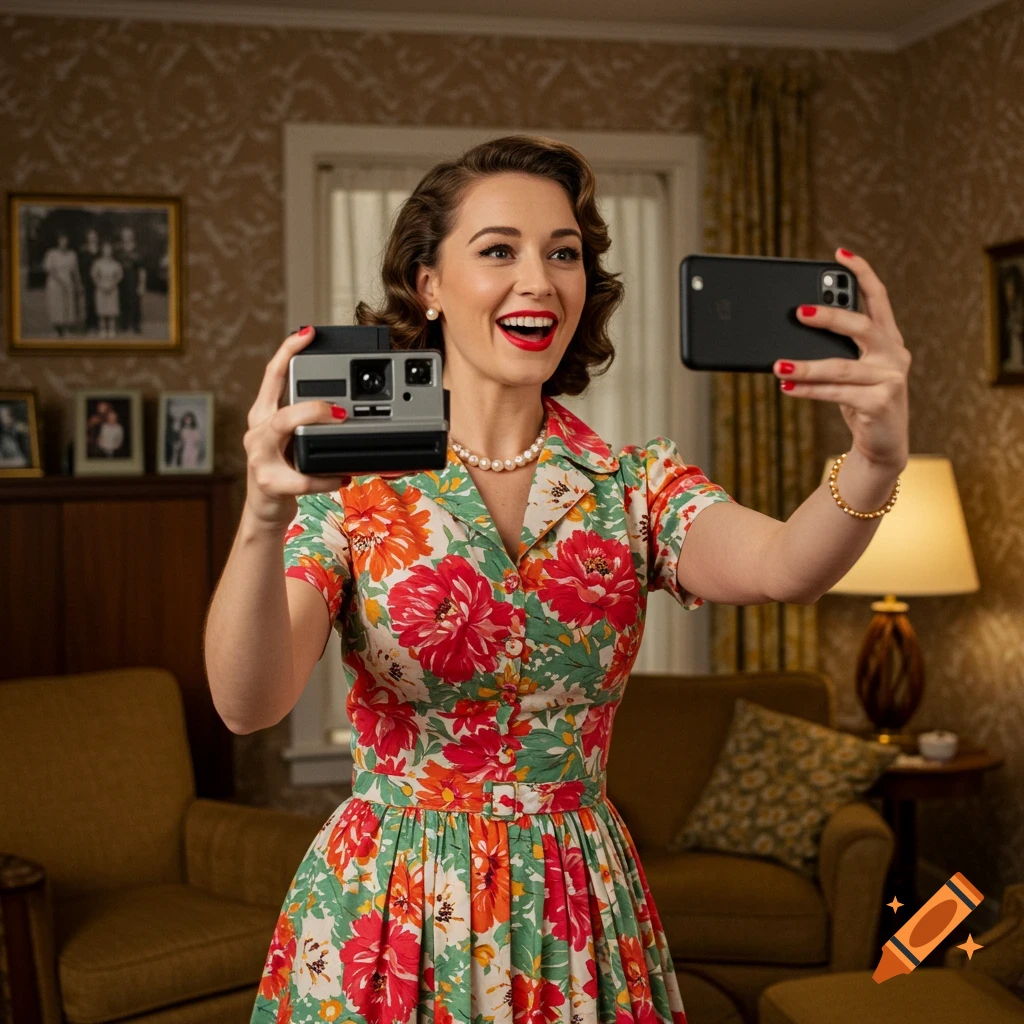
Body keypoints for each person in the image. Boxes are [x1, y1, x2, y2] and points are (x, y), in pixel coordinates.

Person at [204, 135, 910, 1022]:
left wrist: (876, 458)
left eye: (563, 252)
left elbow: (783, 566)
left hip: (576, 913)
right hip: (387, 913)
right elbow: (247, 703)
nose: (538, 279)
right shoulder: (349, 489)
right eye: (499, 249)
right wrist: (263, 513)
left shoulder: (632, 485)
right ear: (427, 283)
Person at [42, 232, 82, 337]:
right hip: (55, 283)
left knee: (68, 306)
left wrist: (78, 284)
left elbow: (75, 271)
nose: (64, 242)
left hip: (68, 283)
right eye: (62, 240)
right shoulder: (51, 253)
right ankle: (57, 330)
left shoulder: (72, 254)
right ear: (58, 241)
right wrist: (60, 281)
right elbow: (49, 269)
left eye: (66, 240)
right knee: (57, 306)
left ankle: (67, 330)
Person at [115, 225, 146, 334]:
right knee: (123, 303)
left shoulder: (138, 250)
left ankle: (136, 326)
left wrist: (142, 285)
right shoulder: (118, 251)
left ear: (132, 236)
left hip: (134, 281)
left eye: (128, 235)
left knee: (135, 304)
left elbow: (142, 270)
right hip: (121, 282)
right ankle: (124, 325)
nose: (126, 237)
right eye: (124, 235)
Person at [91, 241, 123, 339]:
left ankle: (112, 330)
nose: (107, 252)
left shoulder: (116, 263)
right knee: (102, 310)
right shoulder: (97, 263)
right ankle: (103, 330)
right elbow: (94, 275)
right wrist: (100, 285)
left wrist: (113, 284)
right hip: (101, 288)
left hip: (112, 288)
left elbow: (120, 275)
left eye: (109, 250)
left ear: (111, 251)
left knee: (112, 310)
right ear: (102, 251)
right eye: (105, 250)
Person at [77, 228, 101, 335]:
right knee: (88, 302)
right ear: (87, 238)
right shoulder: (83, 251)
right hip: (88, 281)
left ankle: (98, 325)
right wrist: (81, 282)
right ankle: (88, 325)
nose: (93, 238)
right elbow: (81, 268)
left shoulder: (100, 251)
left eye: (94, 236)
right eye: (90, 236)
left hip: (100, 280)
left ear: (97, 238)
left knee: (99, 302)